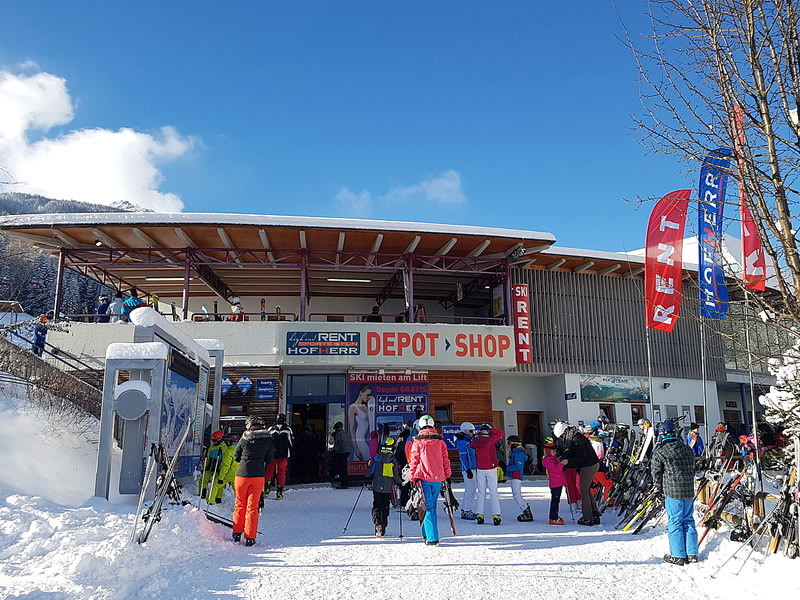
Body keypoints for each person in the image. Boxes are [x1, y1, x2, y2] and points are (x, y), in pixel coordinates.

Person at [650, 420, 699, 565]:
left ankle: (678, 555)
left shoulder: (661, 452)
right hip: (689, 490)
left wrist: (659, 488)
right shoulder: (686, 449)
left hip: (672, 491)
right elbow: (693, 468)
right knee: (689, 520)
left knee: (675, 522)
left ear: (662, 434)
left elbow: (656, 473)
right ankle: (692, 553)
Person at [407, 415, 451, 545]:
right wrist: (447, 475)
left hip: (423, 477)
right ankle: (427, 534)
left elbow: (414, 461)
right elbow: (445, 460)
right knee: (431, 506)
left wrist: (412, 476)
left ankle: (432, 538)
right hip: (438, 478)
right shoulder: (440, 441)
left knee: (427, 506)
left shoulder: (418, 442)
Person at [232, 416, 275, 546]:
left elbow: (236, 457)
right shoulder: (268, 439)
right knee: (252, 507)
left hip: (242, 475)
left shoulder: (244, 437)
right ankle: (250, 538)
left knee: (240, 505)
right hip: (258, 476)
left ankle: (236, 534)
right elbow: (271, 459)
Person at [554, 421, 600, 526]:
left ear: (565, 431)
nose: (562, 438)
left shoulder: (577, 439)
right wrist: (564, 457)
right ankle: (594, 513)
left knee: (583, 490)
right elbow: (571, 451)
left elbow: (580, 457)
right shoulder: (572, 438)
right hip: (587, 465)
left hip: (589, 465)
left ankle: (588, 517)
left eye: (562, 436)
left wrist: (568, 462)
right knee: (586, 489)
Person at [469, 423, 504, 525]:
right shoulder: (490, 439)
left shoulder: (476, 441)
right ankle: (496, 515)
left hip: (480, 469)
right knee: (493, 492)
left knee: (481, 493)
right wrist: (491, 429)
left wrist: (477, 435)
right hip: (491, 468)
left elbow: (471, 444)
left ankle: (480, 514)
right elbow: (501, 433)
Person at [368, 436, 403, 537]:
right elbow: (395, 475)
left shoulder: (376, 458)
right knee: (385, 506)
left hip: (376, 487)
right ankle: (383, 526)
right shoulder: (393, 460)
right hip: (387, 488)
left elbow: (369, 472)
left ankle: (377, 523)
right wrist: (400, 482)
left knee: (377, 505)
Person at [265, 414, 293, 500]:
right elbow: (291, 443)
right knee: (282, 472)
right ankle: (279, 492)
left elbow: (266, 442)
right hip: (284, 454)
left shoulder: (271, 429)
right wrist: (292, 452)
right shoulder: (288, 429)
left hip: (272, 454)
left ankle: (266, 489)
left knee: (269, 471)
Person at [454, 422, 478, 520]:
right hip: (468, 469)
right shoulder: (463, 442)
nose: (473, 433)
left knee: (471, 489)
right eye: (471, 431)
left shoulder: (470, 440)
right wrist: (468, 470)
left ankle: (466, 509)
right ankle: (466, 510)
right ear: (466, 431)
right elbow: (463, 457)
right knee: (470, 490)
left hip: (472, 468)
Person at [506, 435, 532, 522]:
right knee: (516, 495)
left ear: (514, 444)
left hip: (516, 476)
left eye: (509, 443)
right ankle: (525, 510)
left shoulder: (518, 453)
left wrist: (506, 468)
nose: (508, 445)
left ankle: (527, 511)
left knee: (517, 495)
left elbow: (518, 466)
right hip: (514, 476)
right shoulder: (516, 452)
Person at [542, 436, 566, 524]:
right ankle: (553, 517)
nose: (555, 452)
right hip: (555, 484)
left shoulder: (554, 459)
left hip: (559, 483)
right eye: (553, 451)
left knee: (557, 500)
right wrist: (561, 464)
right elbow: (556, 470)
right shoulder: (548, 461)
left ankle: (555, 516)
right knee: (555, 501)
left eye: (555, 451)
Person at [348, 385, 375, 461]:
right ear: (361, 393)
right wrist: (356, 448)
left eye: (370, 395)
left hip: (367, 438)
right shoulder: (353, 407)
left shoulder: (366, 406)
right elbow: (352, 428)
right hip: (360, 439)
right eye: (367, 395)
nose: (368, 397)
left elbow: (371, 421)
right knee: (369, 459)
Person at [330, 421, 352, 488]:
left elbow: (338, 444)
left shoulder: (338, 434)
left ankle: (343, 483)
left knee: (341, 468)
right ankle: (345, 482)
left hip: (341, 452)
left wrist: (334, 450)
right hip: (347, 452)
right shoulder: (346, 433)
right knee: (344, 468)